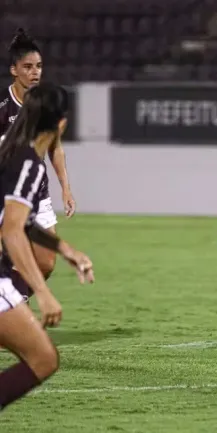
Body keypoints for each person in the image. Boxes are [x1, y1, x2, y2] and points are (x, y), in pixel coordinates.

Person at [0, 83, 94, 412]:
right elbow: (12, 233)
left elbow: (22, 224)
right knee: (43, 358)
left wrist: (67, 251)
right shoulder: (28, 163)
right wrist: (42, 291)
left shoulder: (11, 150)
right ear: (61, 125)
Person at [0, 28, 76, 301]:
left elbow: (55, 148)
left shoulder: (46, 106)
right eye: (28, 67)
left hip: (37, 194)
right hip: (6, 196)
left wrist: (65, 188)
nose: (35, 72)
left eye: (39, 66)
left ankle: (11, 305)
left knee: (45, 263)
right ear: (14, 70)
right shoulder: (2, 106)